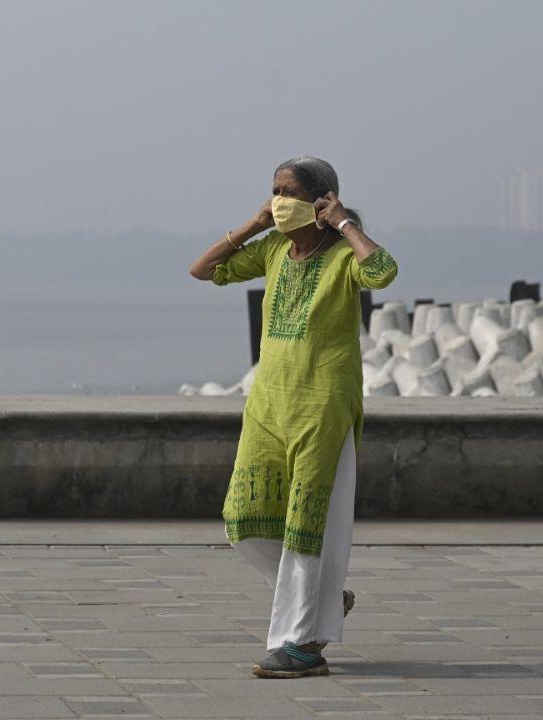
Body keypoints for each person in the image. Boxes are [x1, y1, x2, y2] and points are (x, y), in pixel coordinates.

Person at [188, 156, 399, 678]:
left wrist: (346, 224)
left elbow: (383, 271)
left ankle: (301, 645)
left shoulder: (343, 257)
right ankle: (329, 602)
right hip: (268, 405)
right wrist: (255, 224)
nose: (279, 199)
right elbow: (204, 269)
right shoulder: (275, 249)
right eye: (274, 190)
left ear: (321, 200)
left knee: (308, 525)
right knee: (243, 521)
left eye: (289, 192)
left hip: (323, 405)